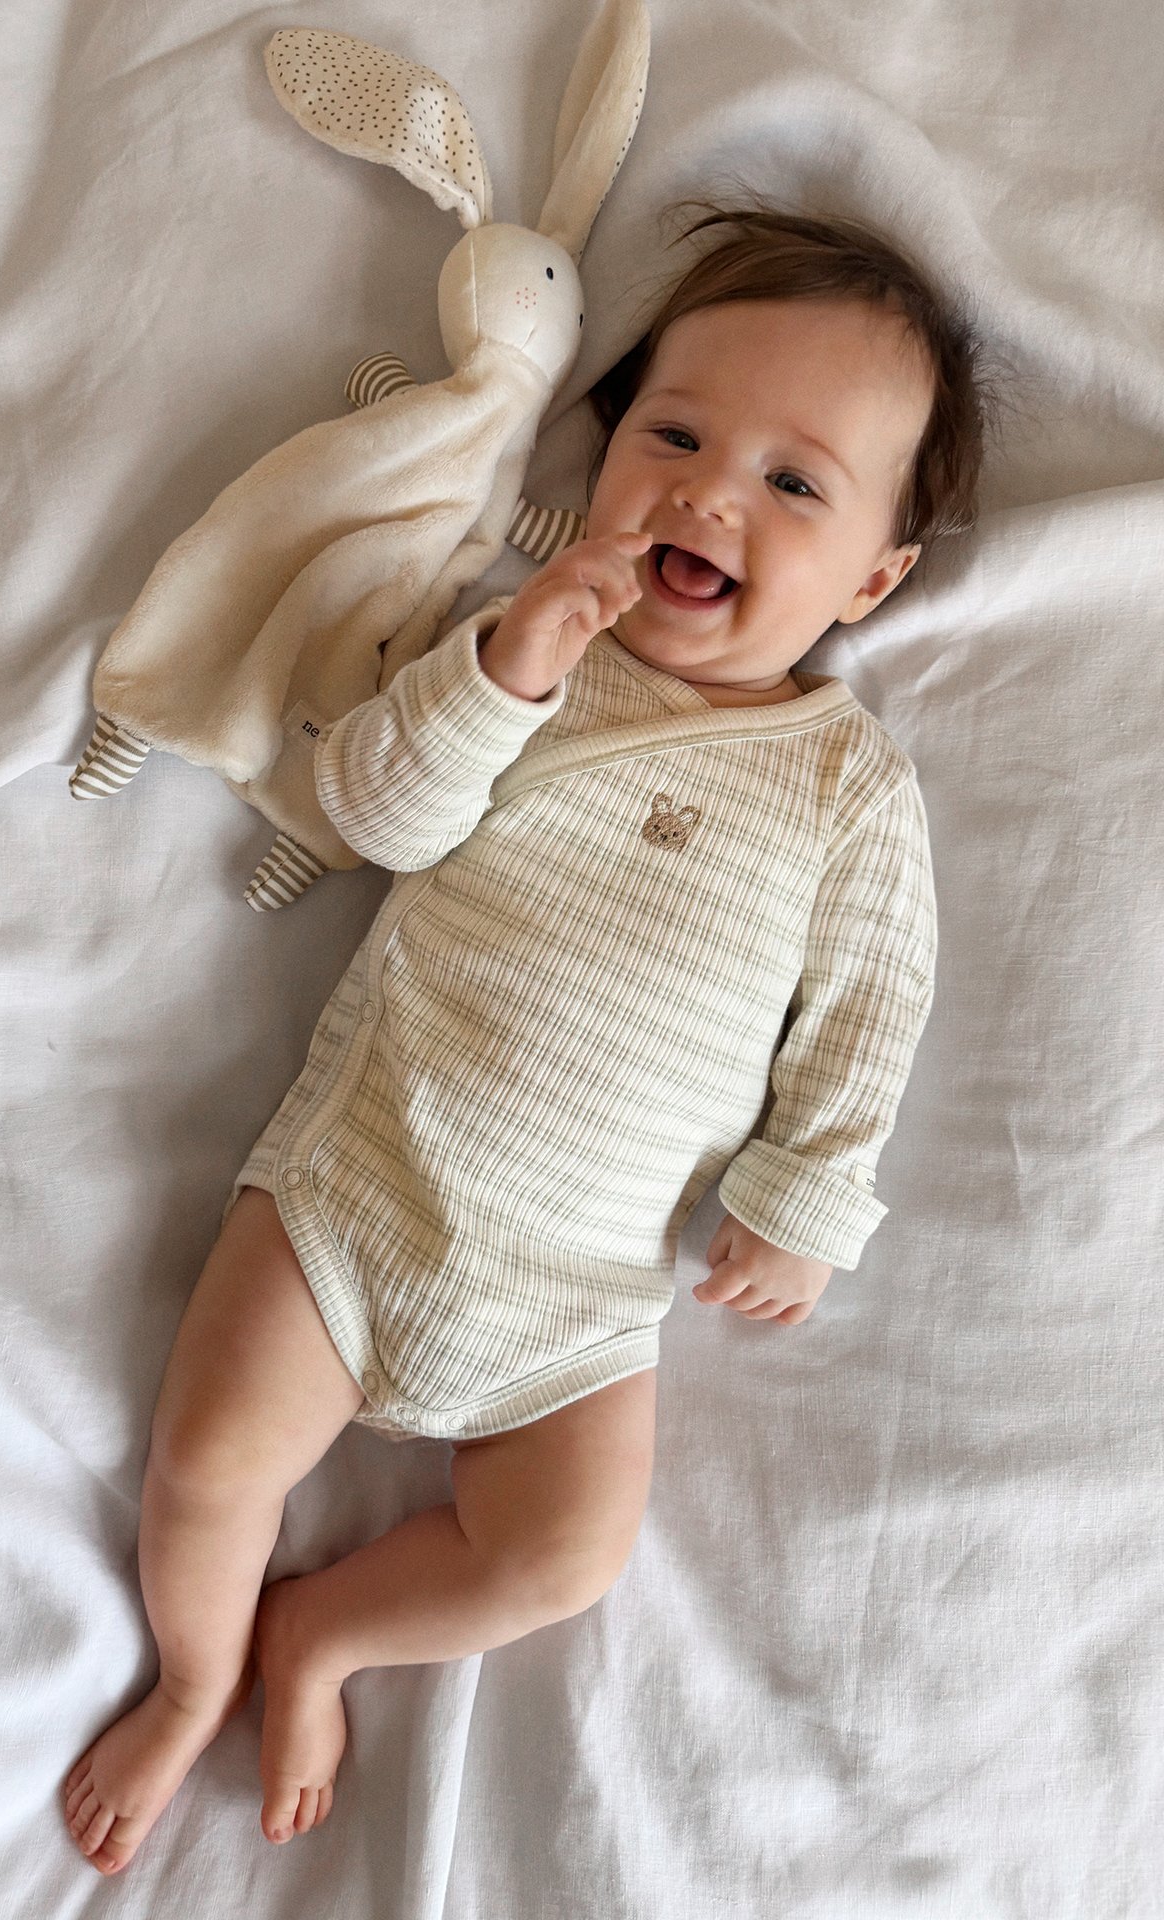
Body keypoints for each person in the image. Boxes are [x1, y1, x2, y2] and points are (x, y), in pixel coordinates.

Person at [64, 202, 995, 1874]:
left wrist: (809, 1196)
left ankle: (324, 1633)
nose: (710, 495)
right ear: (608, 448)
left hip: (582, 1293)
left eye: (793, 483)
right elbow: (371, 813)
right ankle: (197, 1673)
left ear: (871, 579)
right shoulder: (526, 652)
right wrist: (501, 670)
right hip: (362, 1184)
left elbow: (872, 1007)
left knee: (560, 1555)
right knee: (207, 1460)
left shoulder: (845, 786)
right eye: (675, 436)